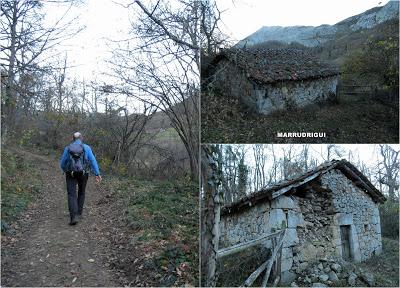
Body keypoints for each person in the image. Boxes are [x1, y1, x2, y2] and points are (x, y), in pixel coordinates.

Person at [60, 132, 102, 225]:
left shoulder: (68, 148)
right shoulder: (86, 147)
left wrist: (65, 170)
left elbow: (63, 162)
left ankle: (73, 217)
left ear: (73, 139)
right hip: (83, 173)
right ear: (81, 138)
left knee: (71, 194)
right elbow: (92, 161)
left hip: (70, 173)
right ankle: (79, 212)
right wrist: (97, 173)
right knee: (81, 192)